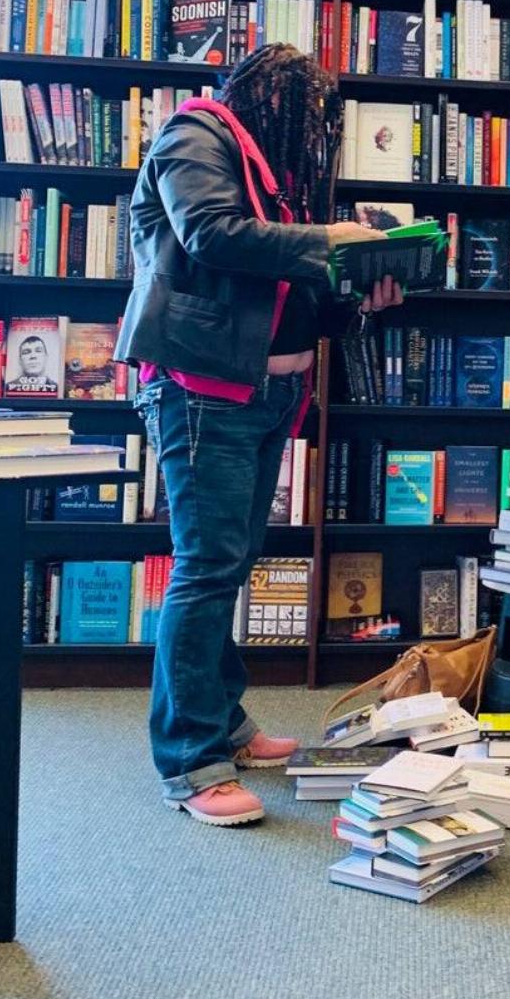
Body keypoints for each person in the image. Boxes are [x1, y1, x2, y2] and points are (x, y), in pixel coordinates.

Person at [115, 43, 402, 826]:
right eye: (301, 115)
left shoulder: (277, 180)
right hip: (202, 392)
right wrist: (330, 241)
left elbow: (293, 295)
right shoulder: (195, 135)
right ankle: (191, 760)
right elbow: (211, 235)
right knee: (207, 566)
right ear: (263, 100)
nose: (310, 134)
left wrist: (360, 291)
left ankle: (224, 721)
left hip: (269, 393)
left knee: (231, 561)